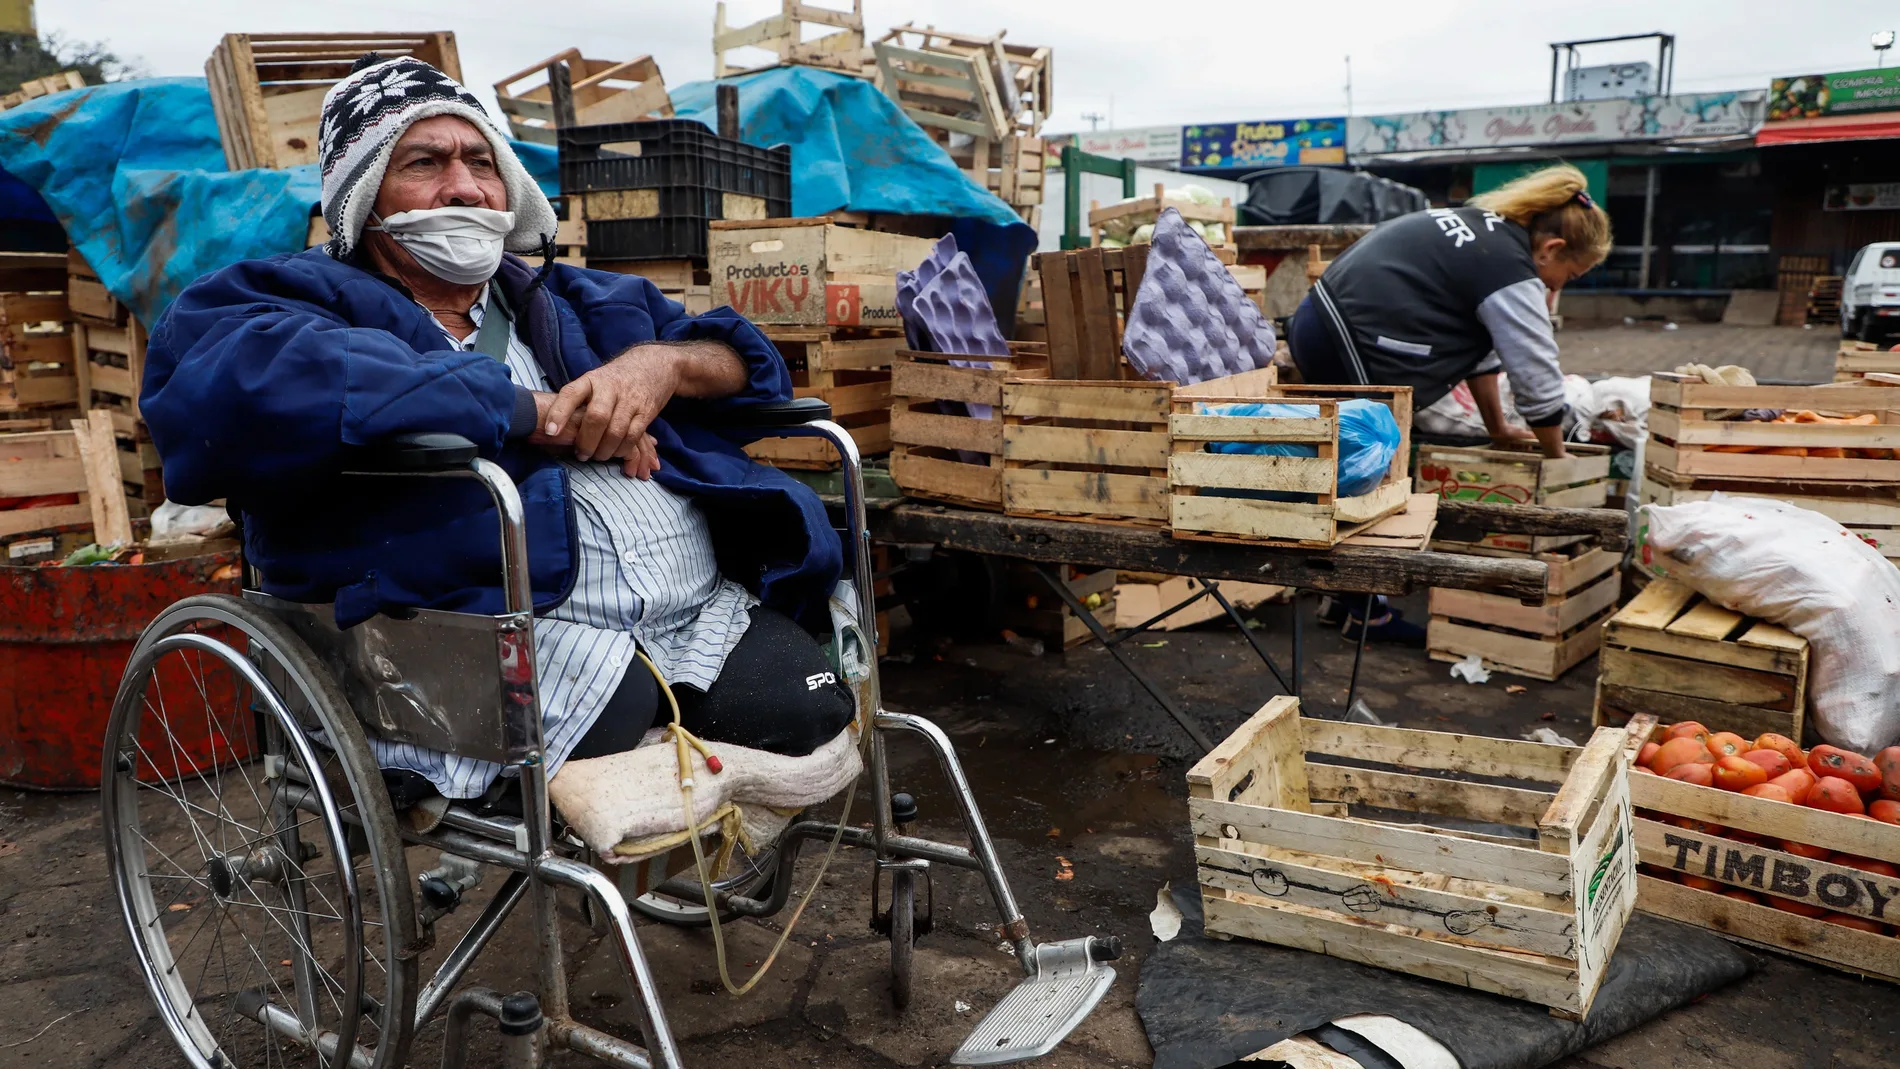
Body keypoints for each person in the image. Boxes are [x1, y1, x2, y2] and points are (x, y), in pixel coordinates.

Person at [142, 55, 855, 808]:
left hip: (693, 613)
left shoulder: (568, 296)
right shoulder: (295, 295)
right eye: (424, 162)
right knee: (617, 717)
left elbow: (741, 359)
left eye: (480, 160)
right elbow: (255, 383)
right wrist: (531, 412)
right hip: (502, 630)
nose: (464, 185)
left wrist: (660, 366)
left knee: (806, 707)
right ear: (362, 194)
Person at [1286, 163, 1612, 642]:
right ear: (1552, 248)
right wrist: (1559, 459)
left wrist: (1499, 430)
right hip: (1350, 335)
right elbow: (1536, 372)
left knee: (1351, 462)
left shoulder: (1488, 231)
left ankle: (1345, 600)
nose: (1559, 288)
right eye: (1569, 275)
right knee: (1367, 463)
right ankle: (1365, 612)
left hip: (1326, 320)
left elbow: (1480, 353)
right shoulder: (1510, 266)